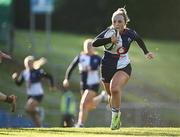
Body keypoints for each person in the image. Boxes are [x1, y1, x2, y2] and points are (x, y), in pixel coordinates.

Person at [92, 8, 154, 130]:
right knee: (111, 96)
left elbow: (139, 39)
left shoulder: (131, 33)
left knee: (114, 89)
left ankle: (114, 120)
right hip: (106, 67)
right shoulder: (109, 32)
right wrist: (110, 40)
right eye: (114, 21)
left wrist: (146, 52)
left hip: (123, 66)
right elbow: (95, 43)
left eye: (120, 21)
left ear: (125, 22)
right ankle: (116, 114)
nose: (117, 24)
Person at [63, 39, 107, 127]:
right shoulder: (80, 57)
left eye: (90, 45)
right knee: (87, 105)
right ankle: (102, 97)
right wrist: (67, 79)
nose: (88, 47)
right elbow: (71, 67)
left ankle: (80, 124)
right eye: (87, 45)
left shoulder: (97, 58)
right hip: (84, 84)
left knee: (83, 103)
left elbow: (104, 69)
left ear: (93, 47)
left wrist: (104, 79)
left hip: (94, 83)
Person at [12, 55, 54, 127]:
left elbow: (49, 76)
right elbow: (19, 84)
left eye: (30, 63)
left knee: (28, 108)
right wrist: (15, 79)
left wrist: (51, 86)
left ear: (33, 63)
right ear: (25, 64)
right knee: (30, 112)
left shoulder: (38, 71)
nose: (29, 64)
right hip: (30, 95)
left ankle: (38, 111)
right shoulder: (24, 73)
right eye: (27, 63)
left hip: (38, 94)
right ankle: (40, 127)